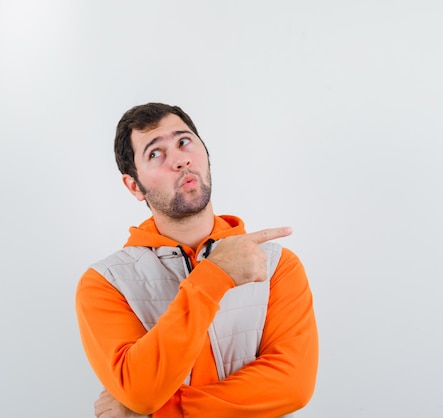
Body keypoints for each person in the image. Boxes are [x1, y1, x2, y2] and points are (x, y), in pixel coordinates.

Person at [75, 103, 318, 418]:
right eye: (155, 154)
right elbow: (141, 390)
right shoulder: (105, 282)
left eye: (183, 142)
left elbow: (292, 386)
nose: (179, 160)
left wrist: (162, 411)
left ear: (205, 152)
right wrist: (214, 276)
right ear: (134, 186)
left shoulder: (275, 265)